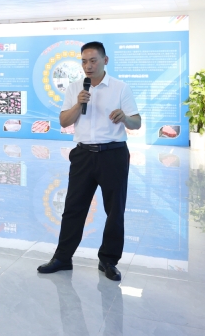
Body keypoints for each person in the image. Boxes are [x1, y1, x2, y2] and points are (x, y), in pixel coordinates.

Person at [37, 42, 141, 281]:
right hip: (83, 155)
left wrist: (125, 118)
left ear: (105, 61)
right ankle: (63, 257)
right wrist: (78, 104)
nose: (88, 66)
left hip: (113, 154)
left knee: (114, 210)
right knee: (73, 208)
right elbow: (64, 121)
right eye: (84, 61)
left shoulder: (120, 88)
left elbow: (137, 122)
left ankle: (108, 260)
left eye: (93, 60)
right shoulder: (75, 88)